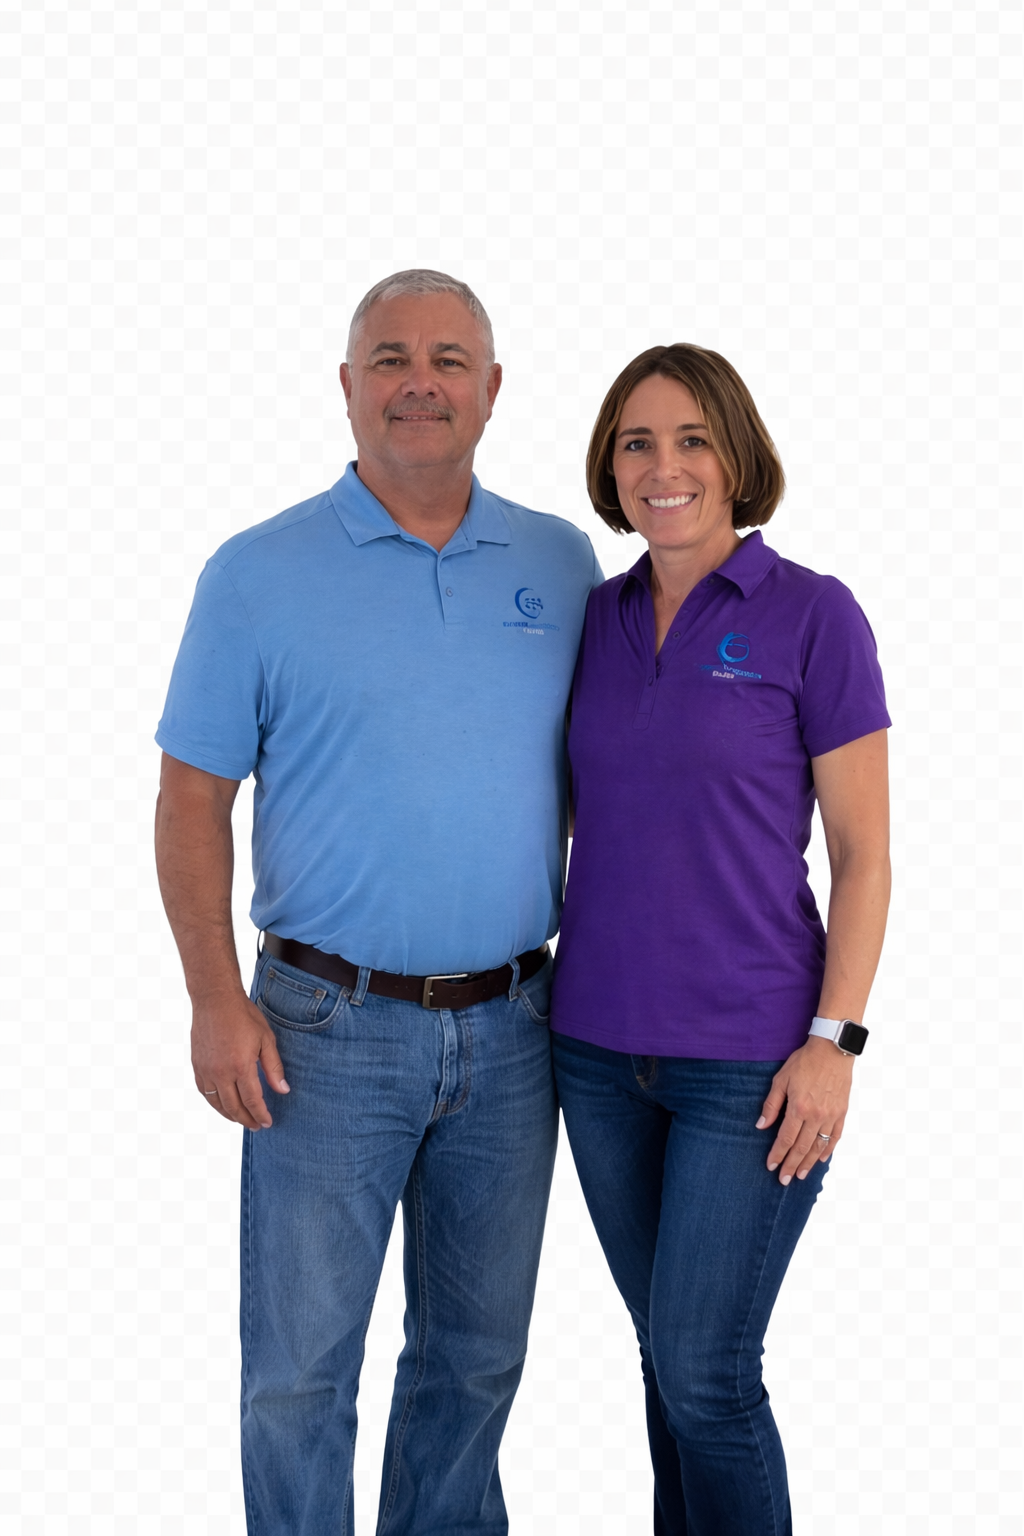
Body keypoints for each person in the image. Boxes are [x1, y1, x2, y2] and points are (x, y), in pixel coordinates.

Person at [153, 269, 601, 1536]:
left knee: (473, 1362)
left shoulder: (561, 565)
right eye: (391, 357)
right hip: (318, 1032)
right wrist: (210, 1001)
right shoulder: (255, 572)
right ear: (346, 388)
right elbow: (192, 802)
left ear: (494, 390)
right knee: (299, 1380)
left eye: (450, 359)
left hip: (517, 1030)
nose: (421, 380)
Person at [550, 344, 891, 1536]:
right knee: (663, 1361)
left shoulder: (812, 616)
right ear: (610, 467)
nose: (665, 466)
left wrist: (834, 1042)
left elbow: (862, 856)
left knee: (705, 1368)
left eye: (692, 439)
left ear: (737, 458)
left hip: (748, 1063)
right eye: (637, 442)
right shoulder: (588, 622)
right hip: (589, 1053)